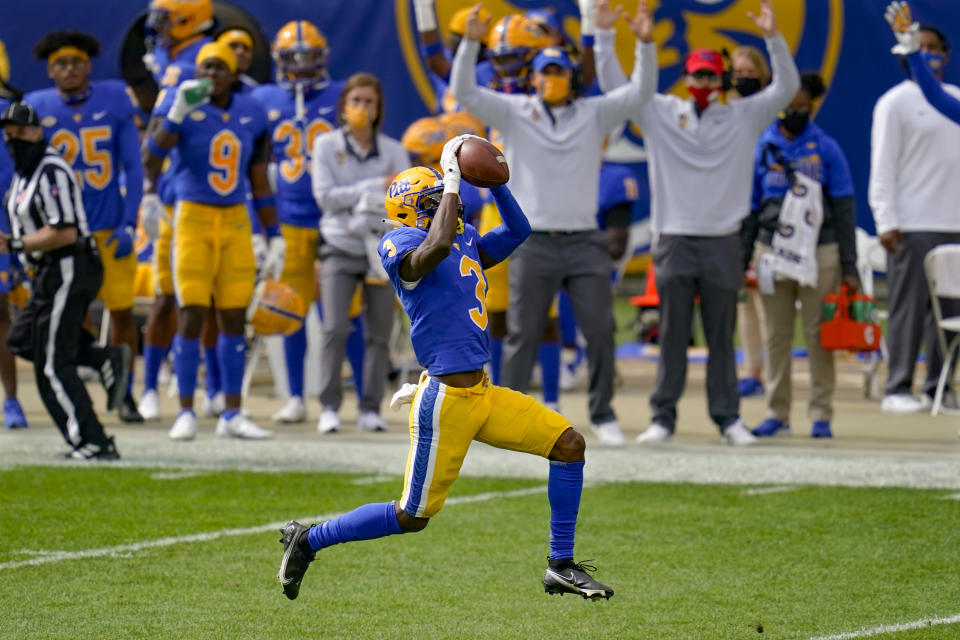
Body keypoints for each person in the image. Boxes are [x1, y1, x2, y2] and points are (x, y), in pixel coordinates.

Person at [276, 136, 613, 602]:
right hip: (446, 402)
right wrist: (452, 179)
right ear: (413, 209)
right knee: (412, 516)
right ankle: (309, 539)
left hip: (483, 393)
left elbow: (518, 231)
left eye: (446, 199)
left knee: (569, 445)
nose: (450, 209)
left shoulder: (463, 239)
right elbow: (430, 250)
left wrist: (496, 184)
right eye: (435, 202)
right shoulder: (401, 243)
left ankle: (560, 564)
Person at [451, 2, 657, 446]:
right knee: (522, 334)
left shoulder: (592, 113)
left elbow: (640, 94)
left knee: (600, 329)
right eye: (544, 71)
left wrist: (643, 44)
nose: (551, 79)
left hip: (584, 240)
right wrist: (470, 42)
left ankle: (603, 412)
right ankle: (511, 416)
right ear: (533, 76)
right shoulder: (516, 111)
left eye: (559, 71)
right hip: (535, 241)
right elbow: (465, 92)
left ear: (572, 76)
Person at [596, 0, 799, 446]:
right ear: (686, 79)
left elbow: (788, 87)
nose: (702, 82)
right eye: (696, 75)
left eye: (710, 75)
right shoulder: (662, 111)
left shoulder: (743, 116)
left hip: (724, 241)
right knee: (671, 334)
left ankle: (728, 419)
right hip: (673, 239)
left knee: (722, 336)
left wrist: (773, 37)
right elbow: (616, 88)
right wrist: (610, 37)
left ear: (721, 80)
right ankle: (662, 418)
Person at [142, 41, 283, 440]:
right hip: (192, 216)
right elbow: (150, 157)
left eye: (220, 68)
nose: (212, 76)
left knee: (234, 315)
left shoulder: (252, 110)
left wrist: (274, 233)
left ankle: (232, 412)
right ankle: (185, 408)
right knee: (191, 311)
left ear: (234, 73)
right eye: (206, 68)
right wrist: (177, 113)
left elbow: (258, 179)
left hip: (236, 217)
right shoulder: (179, 101)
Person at [25, 31, 145, 423]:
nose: (70, 69)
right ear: (49, 69)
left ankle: (125, 391)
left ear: (89, 65)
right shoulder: (36, 107)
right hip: (61, 234)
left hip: (108, 228)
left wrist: (129, 221)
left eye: (76, 61)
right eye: (61, 63)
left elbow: (133, 165)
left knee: (123, 313)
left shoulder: (113, 99)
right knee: (67, 319)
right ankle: (79, 389)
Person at [1, 101, 127, 459]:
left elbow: (66, 232)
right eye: (9, 135)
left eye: (21, 133)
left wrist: (15, 244)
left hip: (70, 264)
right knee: (22, 339)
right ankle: (103, 357)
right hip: (46, 271)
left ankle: (94, 442)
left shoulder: (51, 168)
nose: (14, 140)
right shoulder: (24, 175)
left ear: (38, 132)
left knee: (53, 363)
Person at [742, 72, 858, 439]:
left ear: (812, 106)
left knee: (818, 335)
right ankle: (777, 411)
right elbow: (751, 206)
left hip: (819, 252)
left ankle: (822, 414)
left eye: (802, 106)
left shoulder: (826, 148)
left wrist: (849, 265)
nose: (794, 112)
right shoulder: (762, 146)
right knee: (776, 335)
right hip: (771, 251)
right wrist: (743, 256)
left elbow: (843, 207)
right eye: (788, 106)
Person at [252, 20, 344, 425]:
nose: (303, 66)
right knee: (290, 310)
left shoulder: (342, 95)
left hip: (334, 221)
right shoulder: (263, 98)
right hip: (288, 219)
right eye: (295, 58)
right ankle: (294, 396)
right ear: (279, 61)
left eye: (309, 58)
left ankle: (341, 403)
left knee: (343, 315)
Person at [870, 13, 960, 414]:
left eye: (932, 50)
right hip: (916, 221)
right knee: (912, 308)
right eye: (921, 50)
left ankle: (939, 388)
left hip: (954, 221)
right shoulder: (901, 102)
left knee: (952, 314)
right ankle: (899, 385)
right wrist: (913, 53)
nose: (929, 56)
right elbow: (935, 99)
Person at [310, 73, 409, 434]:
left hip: (381, 249)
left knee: (380, 333)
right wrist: (372, 189)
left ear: (379, 108)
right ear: (343, 106)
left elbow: (401, 205)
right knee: (334, 326)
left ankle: (370, 406)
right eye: (356, 101)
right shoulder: (325, 145)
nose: (362, 108)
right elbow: (325, 199)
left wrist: (367, 204)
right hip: (338, 245)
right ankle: (329, 406)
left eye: (369, 102)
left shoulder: (395, 151)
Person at [138, 0, 215, 421]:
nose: (160, 28)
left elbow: (157, 135)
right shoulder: (179, 59)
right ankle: (151, 384)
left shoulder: (191, 63)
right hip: (175, 196)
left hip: (191, 197)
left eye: (166, 19)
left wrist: (150, 188)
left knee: (195, 300)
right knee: (168, 296)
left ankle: (205, 386)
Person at [731, 45, 772, 398]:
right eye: (738, 73)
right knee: (745, 299)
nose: (744, 79)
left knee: (768, 301)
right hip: (739, 216)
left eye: (750, 73)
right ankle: (752, 370)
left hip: (770, 219)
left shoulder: (773, 115)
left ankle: (773, 371)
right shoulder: (727, 113)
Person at [0, 44, 28, 430]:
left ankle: (11, 400)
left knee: (0, 312)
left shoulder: (9, 114)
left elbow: (14, 179)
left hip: (2, 224)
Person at [216, 28, 258, 94]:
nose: (240, 52)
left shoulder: (254, 91)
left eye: (246, 48)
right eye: (233, 46)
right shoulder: (197, 81)